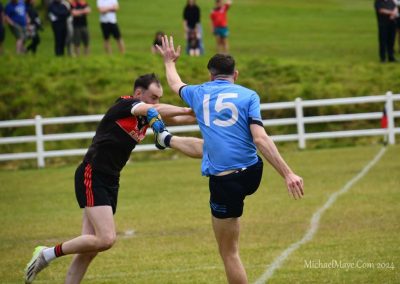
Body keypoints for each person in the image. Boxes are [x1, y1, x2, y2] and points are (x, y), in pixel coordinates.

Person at [156, 36, 304, 284]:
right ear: (235, 74)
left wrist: (169, 61)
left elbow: (174, 84)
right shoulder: (249, 95)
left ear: (211, 76)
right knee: (210, 146)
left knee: (229, 253)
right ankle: (166, 139)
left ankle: (165, 139)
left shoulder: (199, 93)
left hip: (226, 182)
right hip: (253, 172)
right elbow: (260, 139)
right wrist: (287, 173)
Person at [23, 73, 198, 284]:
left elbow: (182, 118)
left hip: (110, 180)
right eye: (153, 97)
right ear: (138, 94)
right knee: (105, 239)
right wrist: (185, 108)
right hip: (93, 173)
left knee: (90, 248)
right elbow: (159, 110)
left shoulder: (145, 118)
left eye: (159, 98)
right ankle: (47, 253)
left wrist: (202, 112)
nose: (156, 102)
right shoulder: (126, 105)